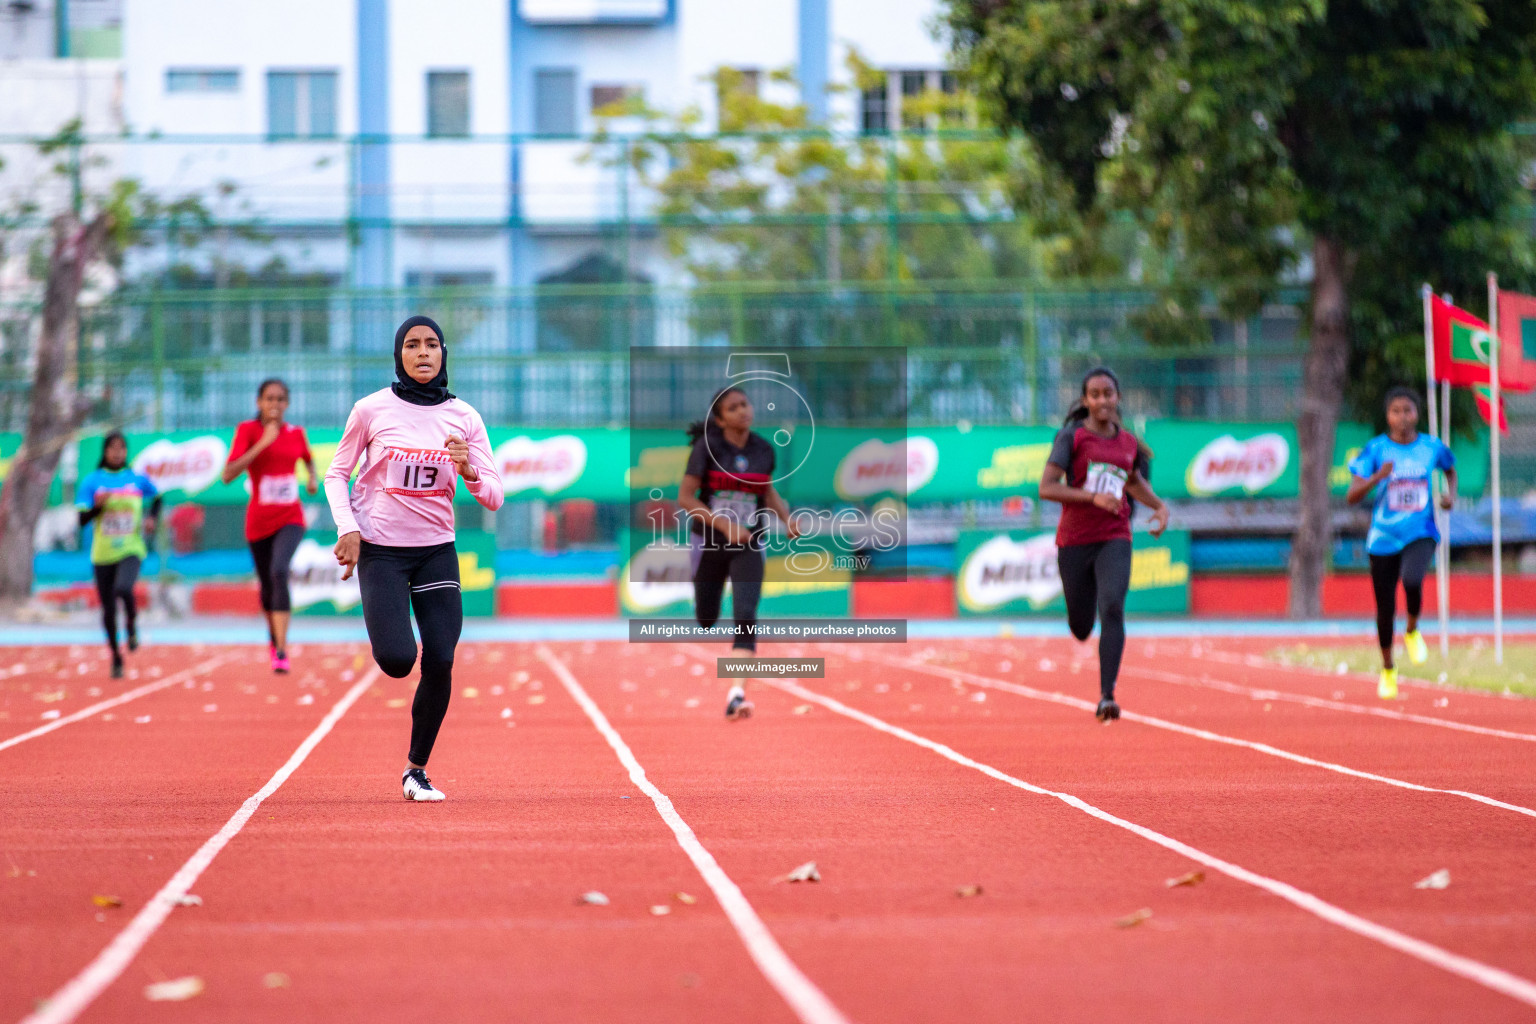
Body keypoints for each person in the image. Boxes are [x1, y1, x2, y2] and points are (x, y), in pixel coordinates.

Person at [325, 315, 503, 802]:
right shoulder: (370, 410)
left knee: (441, 659)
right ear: (398, 355)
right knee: (400, 661)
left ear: (444, 353)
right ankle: (390, 638)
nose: (422, 352)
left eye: (431, 344)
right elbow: (336, 475)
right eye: (411, 345)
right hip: (381, 552)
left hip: (436, 552)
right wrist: (349, 529)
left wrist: (468, 469)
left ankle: (416, 770)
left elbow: (494, 496)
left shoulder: (465, 417)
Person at [1039, 366, 1169, 722]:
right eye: (1094, 394)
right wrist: (1092, 497)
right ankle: (1085, 609)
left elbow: (1133, 482)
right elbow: (1047, 487)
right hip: (1076, 541)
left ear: (1118, 398)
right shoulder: (1071, 438)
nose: (1102, 400)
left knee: (1112, 608)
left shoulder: (1128, 443)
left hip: (1114, 536)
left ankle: (1106, 695)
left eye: (1108, 393)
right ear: (1085, 401)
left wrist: (1159, 507)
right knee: (1081, 626)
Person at [677, 385, 799, 720]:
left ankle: (736, 693)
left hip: (748, 543)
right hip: (711, 543)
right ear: (720, 418)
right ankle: (702, 594)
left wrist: (787, 519)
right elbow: (686, 498)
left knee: (746, 614)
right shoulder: (707, 448)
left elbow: (767, 490)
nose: (743, 411)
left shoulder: (763, 449)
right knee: (706, 618)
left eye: (745, 404)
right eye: (733, 408)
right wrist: (725, 526)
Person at [1346, 386, 1457, 700]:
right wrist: (1377, 477)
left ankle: (1411, 629)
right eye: (1396, 411)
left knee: (1412, 579)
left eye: (1408, 410)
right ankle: (1388, 668)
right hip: (1383, 537)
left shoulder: (1431, 447)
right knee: (1384, 608)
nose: (1402, 417)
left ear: (1417, 413)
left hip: (1420, 530)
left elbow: (1450, 469)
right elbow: (1352, 496)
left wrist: (1451, 496)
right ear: (1387, 416)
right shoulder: (1376, 450)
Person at [222, 378, 318, 673]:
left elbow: (307, 459)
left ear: (286, 404)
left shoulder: (296, 433)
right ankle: (274, 635)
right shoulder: (247, 431)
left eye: (280, 399)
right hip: (259, 523)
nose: (274, 404)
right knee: (267, 585)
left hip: (290, 518)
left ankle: (280, 648)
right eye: (269, 399)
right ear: (258, 403)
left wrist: (312, 478)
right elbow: (228, 474)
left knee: (279, 570)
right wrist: (263, 443)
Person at [75, 431, 161, 679]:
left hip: (131, 548)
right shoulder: (93, 482)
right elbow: (81, 520)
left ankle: (132, 624)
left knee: (123, 588)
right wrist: (97, 507)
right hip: (102, 553)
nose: (117, 452)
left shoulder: (136, 479)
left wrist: (151, 518)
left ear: (126, 451)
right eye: (112, 448)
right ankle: (116, 656)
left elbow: (157, 498)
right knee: (108, 609)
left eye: (121, 448)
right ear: (105, 451)